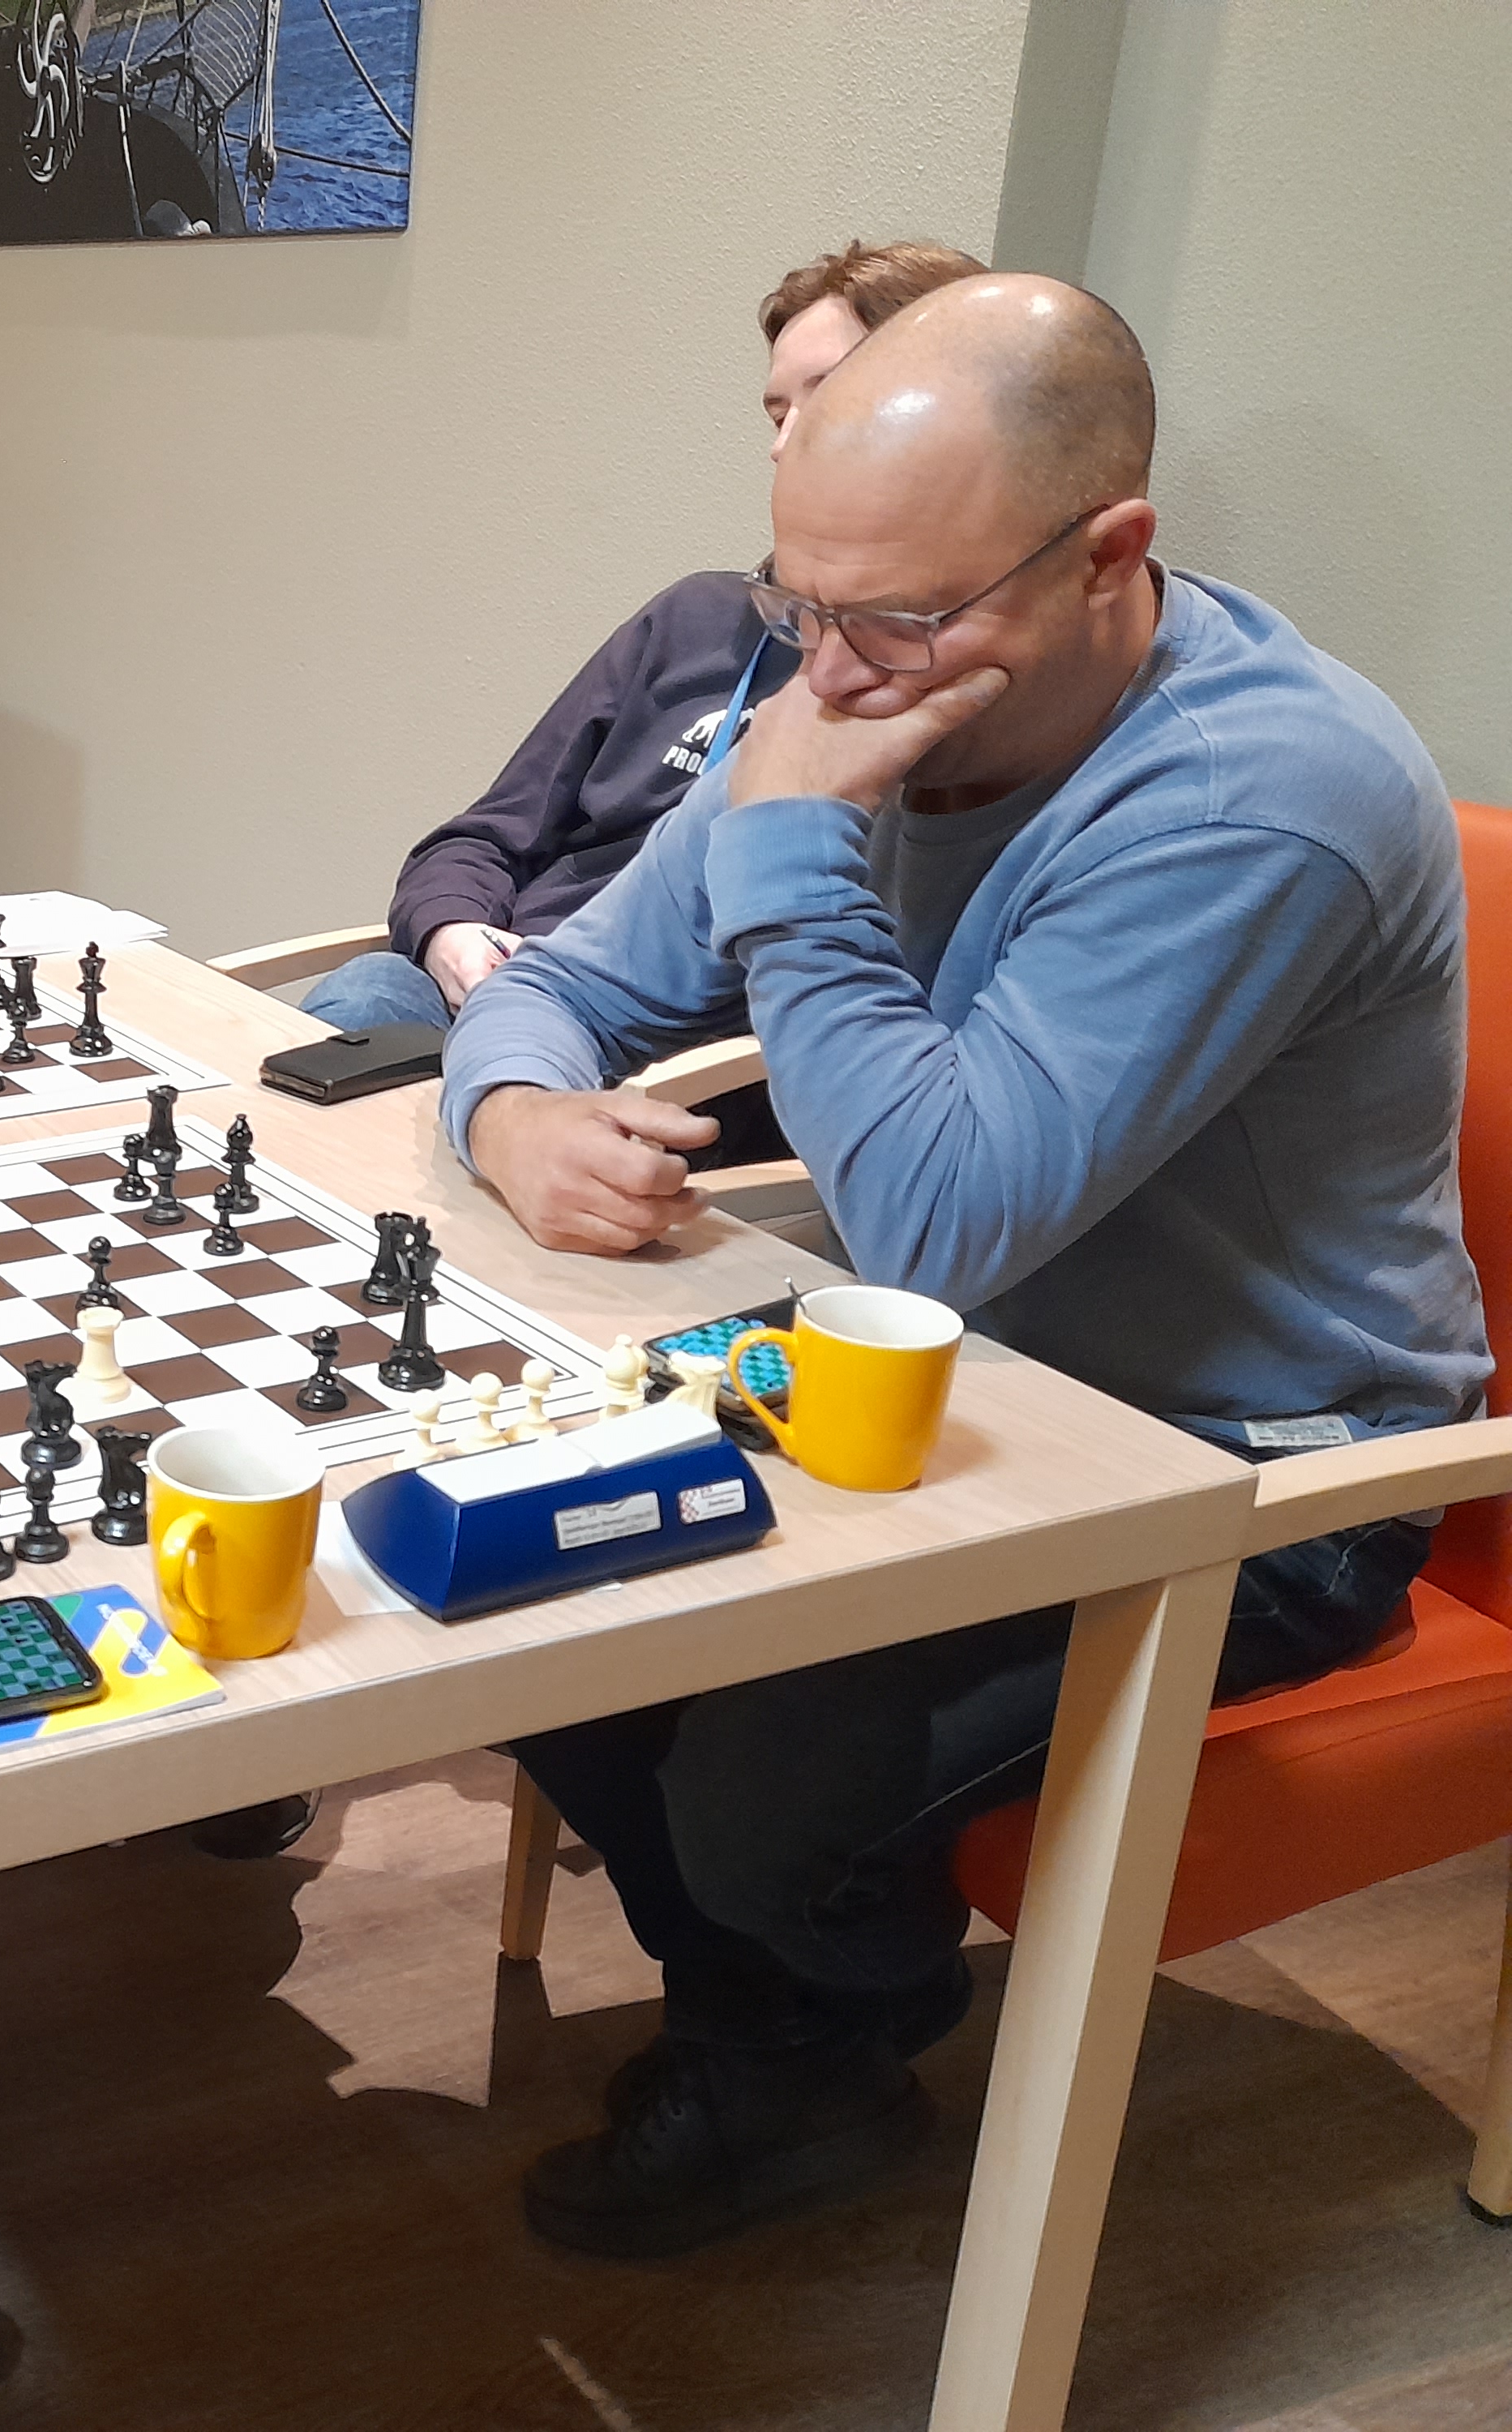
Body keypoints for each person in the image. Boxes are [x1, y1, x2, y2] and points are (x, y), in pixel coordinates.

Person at [439, 273, 1484, 2255]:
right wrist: (512, 1117)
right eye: (799, 606)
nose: (832, 676)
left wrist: (781, 852)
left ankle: (818, 2026)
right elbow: (556, 987)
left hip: (1259, 1472)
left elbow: (934, 1217)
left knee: (756, 1784)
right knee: (513, 1590)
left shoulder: (1259, 796)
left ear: (1107, 553)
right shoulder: (845, 676)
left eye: (904, 621)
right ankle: (791, 2027)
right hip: (958, 1390)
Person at [302, 240, 986, 1041]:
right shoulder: (698, 617)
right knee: (370, 994)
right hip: (515, 981)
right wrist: (453, 933)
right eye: (778, 415)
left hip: (670, 1046)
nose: (784, 445)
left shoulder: (952, 677)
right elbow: (483, 838)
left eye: (831, 399)